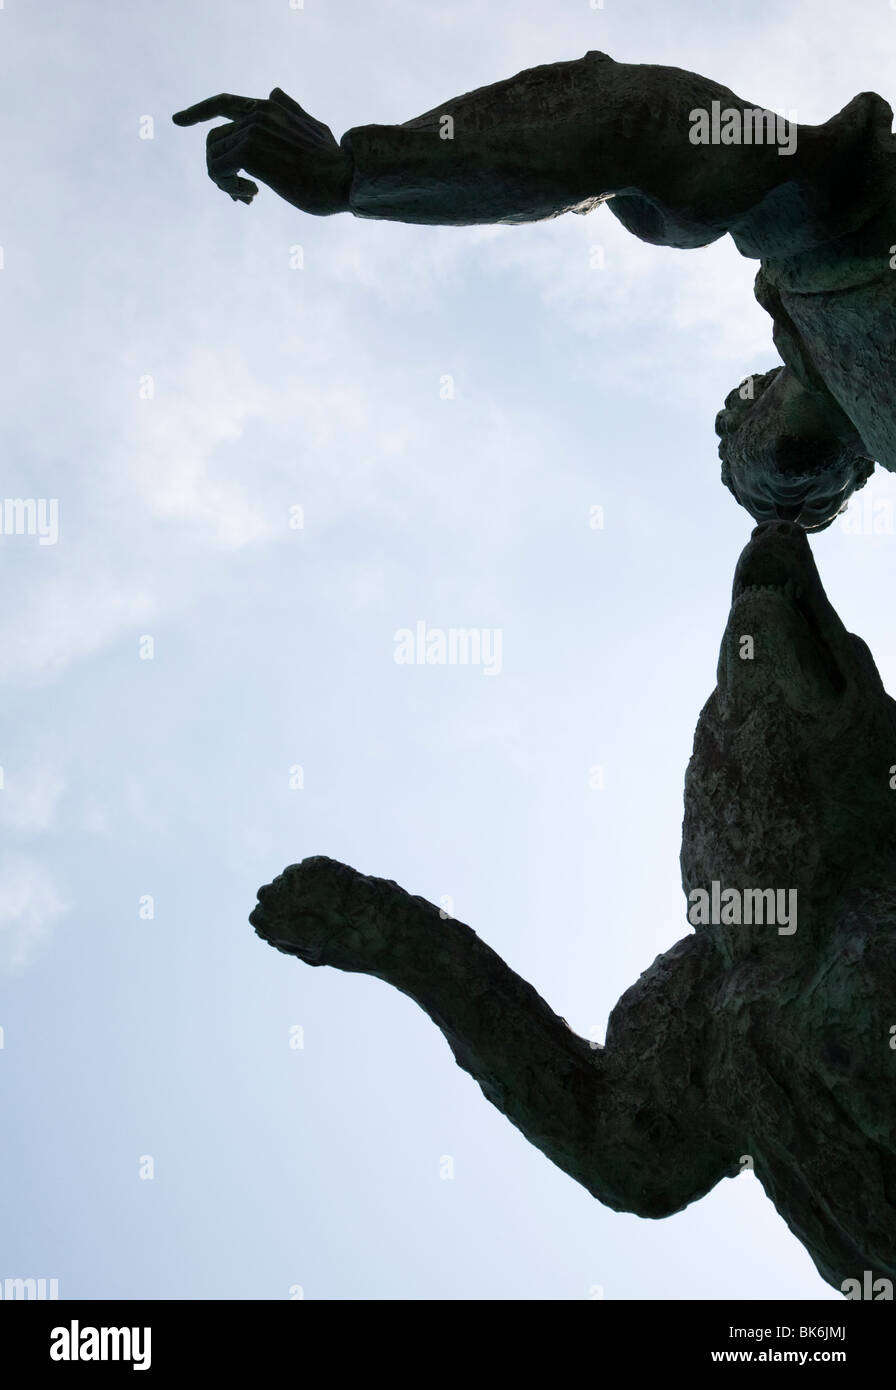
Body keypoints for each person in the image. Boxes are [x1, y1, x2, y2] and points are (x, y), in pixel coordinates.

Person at [174, 52, 896, 526]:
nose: (742, 411)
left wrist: (362, 174)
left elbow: (636, 122)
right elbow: (638, 123)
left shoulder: (821, 234)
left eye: (743, 415)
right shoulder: (817, 253)